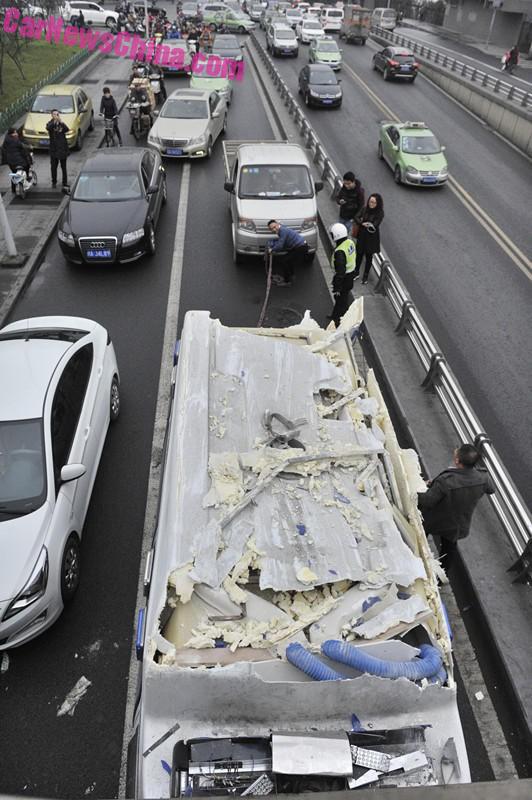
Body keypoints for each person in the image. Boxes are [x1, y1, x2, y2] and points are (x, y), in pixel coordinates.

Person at [418, 444, 495, 572]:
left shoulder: (446, 481)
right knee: (448, 550)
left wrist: (416, 491)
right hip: (458, 523)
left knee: (419, 537)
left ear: (457, 461)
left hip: (435, 519)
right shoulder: (483, 477)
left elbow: (428, 501)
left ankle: (417, 562)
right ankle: (442, 575)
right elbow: (491, 490)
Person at [328, 223, 356, 327]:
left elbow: (340, 272)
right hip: (350, 276)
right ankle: (335, 315)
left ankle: (338, 321)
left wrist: (337, 288)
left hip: (343, 279)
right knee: (341, 300)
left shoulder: (340, 252)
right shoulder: (349, 242)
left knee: (341, 300)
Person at [353, 193, 384, 285]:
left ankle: (365, 275)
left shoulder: (380, 213)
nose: (371, 204)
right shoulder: (364, 208)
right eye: (371, 202)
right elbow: (356, 217)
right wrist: (362, 223)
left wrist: (370, 225)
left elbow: (376, 223)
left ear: (378, 204)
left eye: (374, 203)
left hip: (371, 237)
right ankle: (356, 271)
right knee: (359, 254)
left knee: (369, 256)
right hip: (362, 234)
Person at [267, 219, 309, 287]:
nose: (274, 230)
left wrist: (272, 250)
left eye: (274, 227)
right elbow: (281, 241)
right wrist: (273, 243)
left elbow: (280, 245)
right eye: (272, 229)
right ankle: (291, 275)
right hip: (299, 247)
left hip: (301, 248)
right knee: (288, 261)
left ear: (277, 224)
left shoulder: (283, 231)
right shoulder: (282, 229)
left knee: (284, 261)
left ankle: (287, 281)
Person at [1, 127, 32, 193]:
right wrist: (30, 147)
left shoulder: (6, 139)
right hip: (18, 161)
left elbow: (4, 148)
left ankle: (13, 190)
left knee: (14, 174)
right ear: (12, 134)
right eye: (15, 132)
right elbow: (22, 146)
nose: (16, 133)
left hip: (10, 161)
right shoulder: (15, 140)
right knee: (26, 166)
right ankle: (26, 180)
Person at [46, 110, 70, 190]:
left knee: (64, 167)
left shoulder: (61, 124)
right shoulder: (50, 123)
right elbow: (48, 128)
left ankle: (65, 182)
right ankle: (54, 182)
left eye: (57, 114)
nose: (56, 115)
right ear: (52, 115)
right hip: (54, 149)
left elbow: (67, 129)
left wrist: (61, 122)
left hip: (62, 148)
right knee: (53, 167)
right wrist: (54, 122)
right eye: (54, 114)